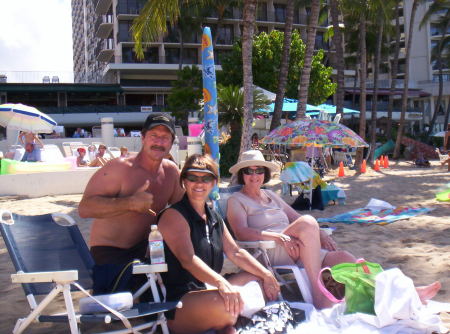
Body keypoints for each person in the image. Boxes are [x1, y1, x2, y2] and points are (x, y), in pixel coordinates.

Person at [227, 150, 441, 309]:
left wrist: (318, 233)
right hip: (271, 250)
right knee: (310, 222)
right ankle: (317, 292)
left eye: (258, 170)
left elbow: (296, 217)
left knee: (344, 257)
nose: (254, 175)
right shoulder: (237, 200)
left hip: (296, 247)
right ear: (242, 174)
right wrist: (279, 237)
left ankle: (406, 292)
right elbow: (241, 232)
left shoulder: (271, 195)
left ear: (264, 173)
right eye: (248, 171)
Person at [158, 154, 280, 334]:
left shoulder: (213, 217)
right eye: (193, 178)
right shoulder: (174, 215)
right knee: (227, 307)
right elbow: (188, 260)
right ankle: (229, 321)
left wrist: (267, 274)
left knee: (259, 279)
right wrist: (222, 284)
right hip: (179, 300)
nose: (199, 184)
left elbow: (235, 252)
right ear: (184, 181)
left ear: (214, 182)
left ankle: (226, 323)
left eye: (206, 178)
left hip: (207, 289)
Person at [78, 113, 185, 294]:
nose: (159, 142)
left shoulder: (171, 172)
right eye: (154, 136)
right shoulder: (119, 168)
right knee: (145, 297)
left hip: (148, 250)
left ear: (172, 142)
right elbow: (85, 208)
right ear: (142, 138)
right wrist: (129, 203)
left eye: (165, 138)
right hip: (111, 255)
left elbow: (182, 209)